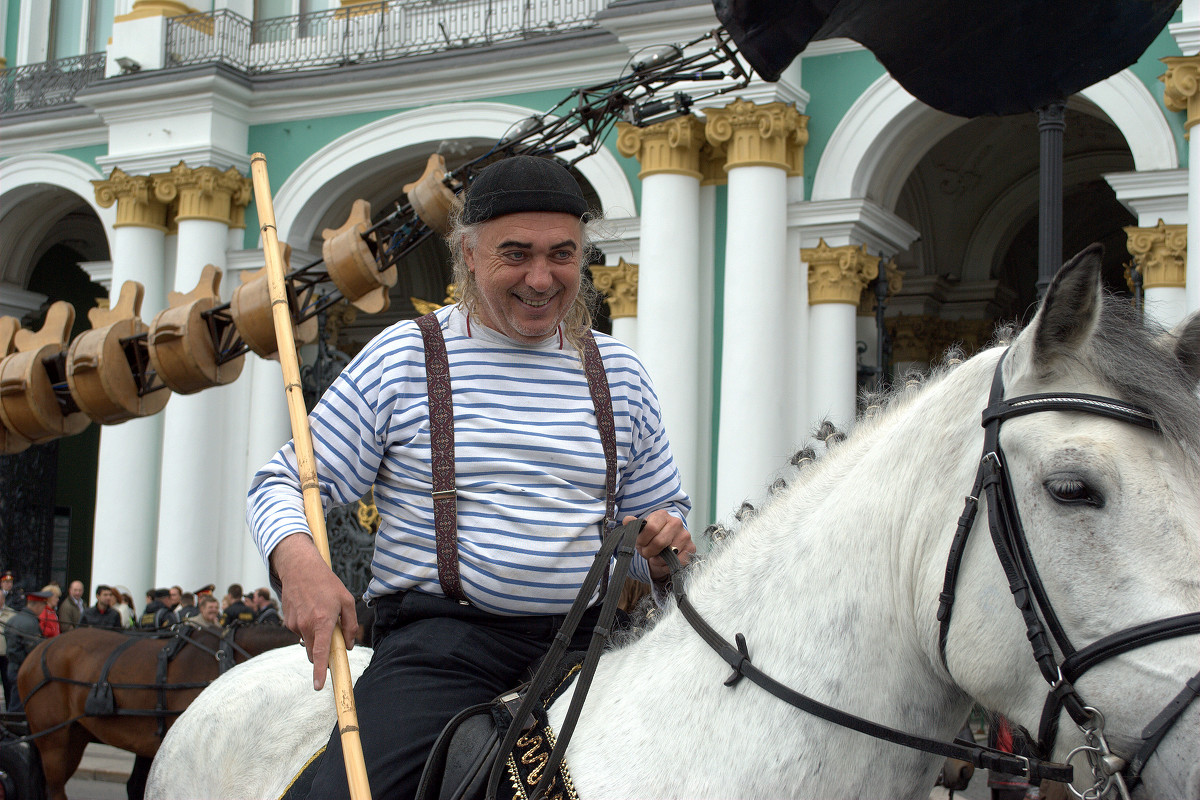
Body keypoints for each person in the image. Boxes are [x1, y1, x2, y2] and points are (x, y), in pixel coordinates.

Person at [247, 155, 693, 800]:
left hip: (594, 651)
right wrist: (304, 569)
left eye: (561, 254)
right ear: (469, 255)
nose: (541, 278)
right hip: (443, 651)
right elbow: (281, 483)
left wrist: (662, 547)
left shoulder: (618, 371)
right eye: (516, 254)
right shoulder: (406, 356)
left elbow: (664, 518)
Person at [5, 591, 50, 712]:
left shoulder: (14, 619)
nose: (43, 610)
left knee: (16, 700)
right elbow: (34, 650)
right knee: (19, 704)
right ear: (37, 605)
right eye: (43, 606)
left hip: (13, 666)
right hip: (23, 668)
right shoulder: (29, 623)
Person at [0, 589, 16, 708]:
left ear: (3, 599)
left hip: (5, 654)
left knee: (7, 684)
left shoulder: (11, 614)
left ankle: (9, 710)